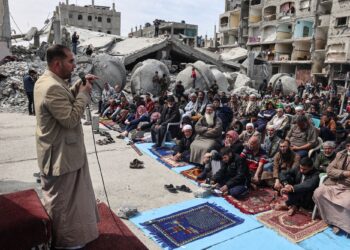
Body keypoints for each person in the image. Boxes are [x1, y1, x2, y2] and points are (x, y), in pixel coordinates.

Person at [34, 44, 99, 248]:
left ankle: (74, 236)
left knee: (74, 201)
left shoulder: (50, 81)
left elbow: (63, 98)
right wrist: (84, 94)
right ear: (56, 63)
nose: (74, 65)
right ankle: (67, 242)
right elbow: (70, 119)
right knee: (65, 204)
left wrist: (78, 87)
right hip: (61, 155)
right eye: (70, 61)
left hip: (64, 152)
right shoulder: (51, 86)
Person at [313, 137, 350, 235]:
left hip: (348, 188)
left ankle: (341, 224)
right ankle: (331, 220)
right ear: (347, 146)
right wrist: (345, 173)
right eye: (348, 146)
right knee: (318, 193)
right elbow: (329, 170)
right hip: (335, 182)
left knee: (346, 203)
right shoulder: (340, 154)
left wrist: (338, 173)